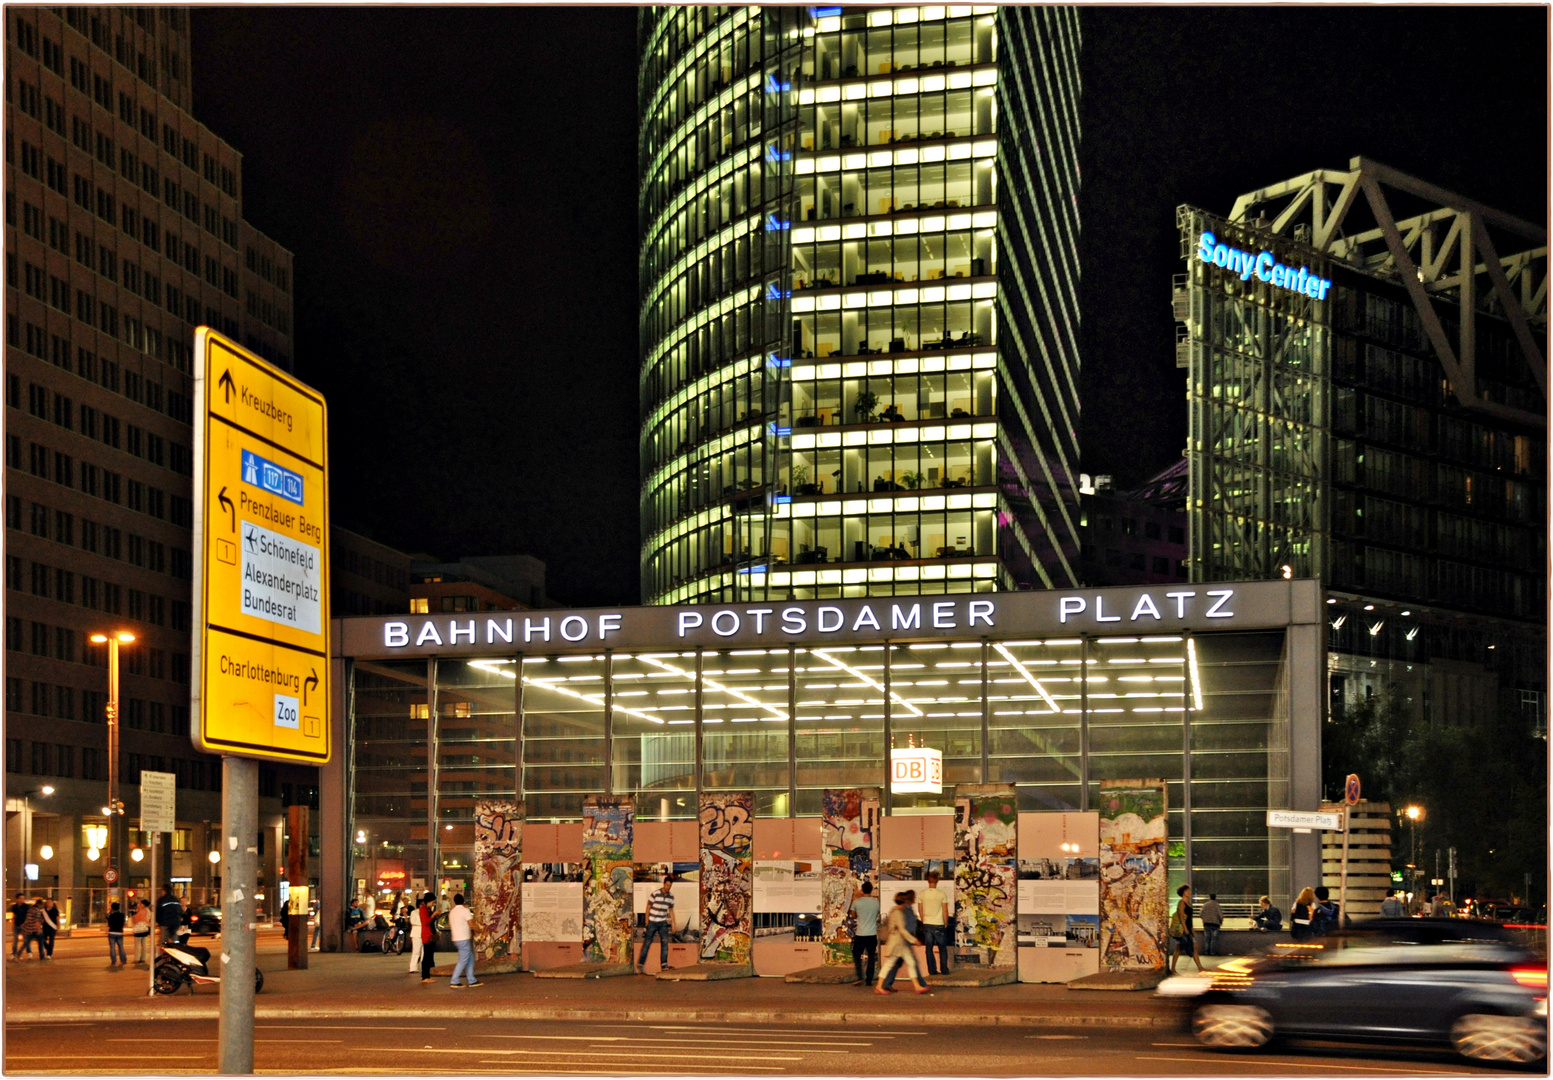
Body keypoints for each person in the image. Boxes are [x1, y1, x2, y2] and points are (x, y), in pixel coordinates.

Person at [876, 891, 929, 995]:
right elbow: (902, 930)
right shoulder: (898, 912)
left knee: (910, 962)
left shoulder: (896, 910)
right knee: (890, 964)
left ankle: (917, 986)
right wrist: (914, 940)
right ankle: (880, 986)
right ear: (904, 901)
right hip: (897, 943)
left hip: (901, 943)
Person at [636, 874, 675, 975]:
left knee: (665, 943)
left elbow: (671, 910)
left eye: (670, 886)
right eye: (667, 885)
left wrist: (674, 923)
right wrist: (646, 921)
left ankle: (664, 965)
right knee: (647, 943)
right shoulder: (655, 894)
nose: (668, 888)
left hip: (662, 922)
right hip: (653, 921)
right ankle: (640, 963)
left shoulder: (671, 897)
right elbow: (648, 907)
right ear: (663, 884)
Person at [916, 872, 951, 976]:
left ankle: (932, 970)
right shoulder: (941, 894)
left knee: (929, 948)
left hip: (927, 923)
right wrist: (945, 923)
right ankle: (944, 970)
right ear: (937, 881)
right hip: (939, 923)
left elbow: (920, 910)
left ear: (928, 881)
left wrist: (923, 920)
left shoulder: (922, 894)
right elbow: (945, 910)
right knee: (942, 948)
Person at [847, 881, 880, 986]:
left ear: (862, 890)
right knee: (871, 956)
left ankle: (860, 976)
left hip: (860, 934)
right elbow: (877, 914)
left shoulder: (856, 902)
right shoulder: (876, 903)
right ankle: (869, 979)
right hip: (872, 933)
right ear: (871, 890)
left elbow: (853, 916)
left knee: (856, 955)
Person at [447, 892, 480, 988]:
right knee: (463, 960)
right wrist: (480, 930)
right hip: (463, 938)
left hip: (456, 938)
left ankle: (471, 980)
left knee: (470, 958)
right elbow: (471, 924)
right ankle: (454, 980)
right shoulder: (465, 911)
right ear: (463, 901)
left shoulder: (452, 912)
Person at [1169, 884, 1202, 974]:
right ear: (1183, 892)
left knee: (1193, 946)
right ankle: (1172, 968)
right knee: (1179, 948)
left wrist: (1192, 928)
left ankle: (1200, 967)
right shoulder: (1182, 902)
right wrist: (1185, 928)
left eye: (1189, 890)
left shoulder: (1188, 902)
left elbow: (1189, 917)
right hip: (1183, 930)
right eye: (1187, 890)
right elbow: (1181, 916)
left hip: (1188, 928)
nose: (1189, 892)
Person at [418, 893, 438, 983]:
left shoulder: (428, 909)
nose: (434, 904)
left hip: (430, 934)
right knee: (427, 956)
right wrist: (433, 915)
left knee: (429, 956)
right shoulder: (423, 910)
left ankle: (428, 975)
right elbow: (425, 922)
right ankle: (425, 976)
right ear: (428, 901)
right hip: (427, 935)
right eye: (433, 902)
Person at [407, 892, 425, 975]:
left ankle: (423, 967)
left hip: (424, 933)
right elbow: (413, 921)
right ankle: (413, 967)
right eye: (422, 904)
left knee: (424, 951)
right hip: (416, 933)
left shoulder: (426, 912)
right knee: (416, 951)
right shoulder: (414, 912)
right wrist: (423, 922)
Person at [106, 902, 127, 967]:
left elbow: (108, 922)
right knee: (121, 947)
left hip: (112, 932)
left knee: (112, 948)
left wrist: (110, 912)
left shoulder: (111, 916)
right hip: (119, 932)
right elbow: (123, 923)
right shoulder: (122, 915)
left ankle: (114, 961)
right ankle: (123, 960)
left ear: (112, 908)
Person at [11, 894, 32, 959]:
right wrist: (13, 924)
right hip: (16, 926)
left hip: (24, 926)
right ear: (17, 899)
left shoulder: (26, 906)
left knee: (26, 940)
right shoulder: (14, 907)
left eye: (23, 898)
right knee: (15, 941)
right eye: (20, 898)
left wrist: (26, 924)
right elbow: (14, 916)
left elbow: (28, 916)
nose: (22, 900)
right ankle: (14, 954)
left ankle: (29, 953)